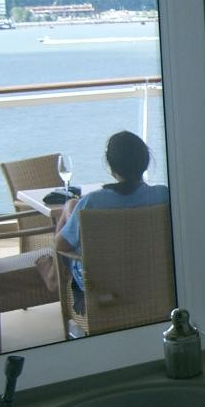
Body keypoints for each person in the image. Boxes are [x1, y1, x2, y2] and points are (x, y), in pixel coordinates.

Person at [55, 131, 169, 313]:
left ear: (111, 166)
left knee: (70, 211)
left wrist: (68, 214)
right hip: (152, 279)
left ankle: (53, 275)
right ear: (145, 161)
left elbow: (60, 245)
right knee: (72, 208)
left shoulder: (92, 202)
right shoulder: (163, 195)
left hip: (104, 288)